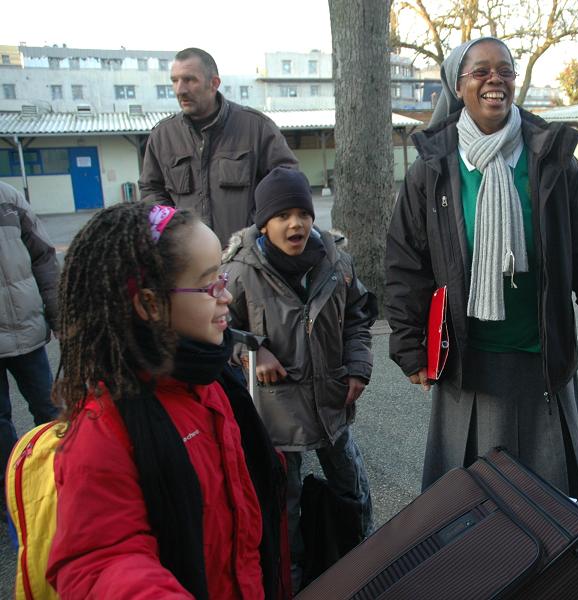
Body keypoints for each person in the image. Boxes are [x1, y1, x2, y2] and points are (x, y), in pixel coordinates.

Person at [385, 37, 578, 507]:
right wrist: (409, 347)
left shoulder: (552, 160)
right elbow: (406, 263)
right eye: (480, 71)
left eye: (505, 70)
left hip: (541, 357)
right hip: (467, 361)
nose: (494, 79)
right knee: (472, 508)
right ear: (458, 86)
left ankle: (552, 581)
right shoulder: (432, 168)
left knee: (548, 506)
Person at [46, 203, 287, 599]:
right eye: (211, 284)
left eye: (222, 276)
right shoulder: (104, 428)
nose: (226, 295)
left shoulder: (212, 383)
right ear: (150, 304)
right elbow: (99, 561)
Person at [223, 167, 376, 591]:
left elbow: (358, 318)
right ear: (263, 223)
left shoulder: (335, 261)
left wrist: (358, 367)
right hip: (276, 419)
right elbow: (219, 331)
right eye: (283, 215)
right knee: (282, 506)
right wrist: (254, 352)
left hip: (332, 405)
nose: (296, 224)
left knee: (352, 489)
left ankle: (360, 561)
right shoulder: (239, 273)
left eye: (303, 214)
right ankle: (291, 581)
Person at [139, 47, 298, 246]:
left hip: (248, 257)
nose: (180, 89)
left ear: (214, 83)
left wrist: (259, 228)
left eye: (189, 80)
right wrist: (172, 229)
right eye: (175, 80)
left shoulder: (256, 127)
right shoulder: (163, 136)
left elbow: (287, 182)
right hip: (189, 259)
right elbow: (151, 189)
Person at [0, 181, 60, 510]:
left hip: (26, 329)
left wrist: (58, 316)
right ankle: (13, 490)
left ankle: (57, 475)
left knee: (49, 408)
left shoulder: (8, 199)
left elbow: (44, 260)